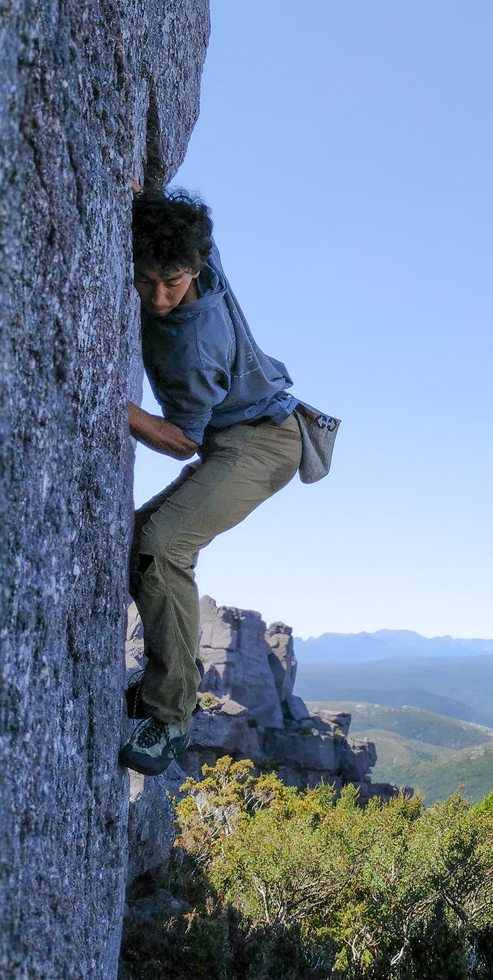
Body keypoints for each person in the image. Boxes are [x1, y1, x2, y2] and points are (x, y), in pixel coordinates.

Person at [119, 188, 307, 775]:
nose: (159, 297)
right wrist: (141, 195)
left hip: (262, 443)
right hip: (256, 423)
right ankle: (164, 679)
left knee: (161, 545)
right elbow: (189, 231)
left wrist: (117, 408)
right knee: (139, 540)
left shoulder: (191, 345)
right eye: (146, 281)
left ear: (192, 271)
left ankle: (173, 717)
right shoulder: (198, 249)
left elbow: (183, 440)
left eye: (171, 283)